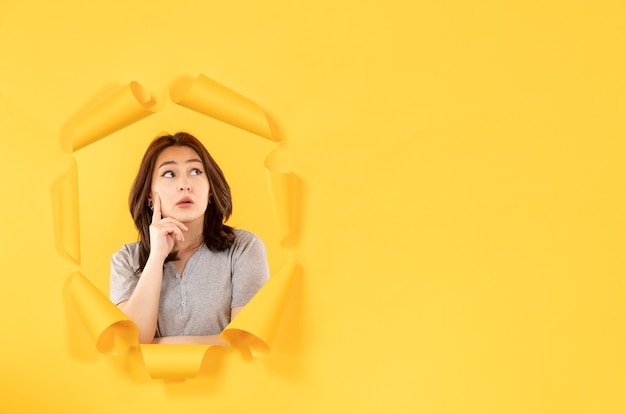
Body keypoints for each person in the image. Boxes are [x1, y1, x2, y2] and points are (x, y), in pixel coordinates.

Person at [109, 132, 269, 344]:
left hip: (228, 378)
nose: (184, 184)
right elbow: (131, 341)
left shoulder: (243, 248)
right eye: (169, 174)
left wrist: (157, 346)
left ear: (210, 189)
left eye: (195, 171)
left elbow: (244, 341)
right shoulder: (126, 259)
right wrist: (156, 257)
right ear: (149, 194)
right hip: (148, 380)